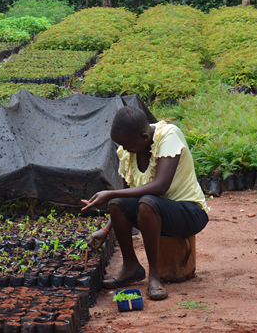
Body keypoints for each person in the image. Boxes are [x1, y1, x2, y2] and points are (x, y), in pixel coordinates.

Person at [81, 106, 209, 300]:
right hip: (156, 215)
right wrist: (106, 229)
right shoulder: (128, 151)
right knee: (117, 203)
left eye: (127, 145)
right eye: (120, 145)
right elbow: (125, 197)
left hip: (189, 212)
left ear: (144, 137)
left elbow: (160, 187)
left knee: (147, 203)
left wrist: (109, 193)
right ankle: (131, 267)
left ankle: (154, 277)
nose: (124, 149)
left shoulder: (169, 136)